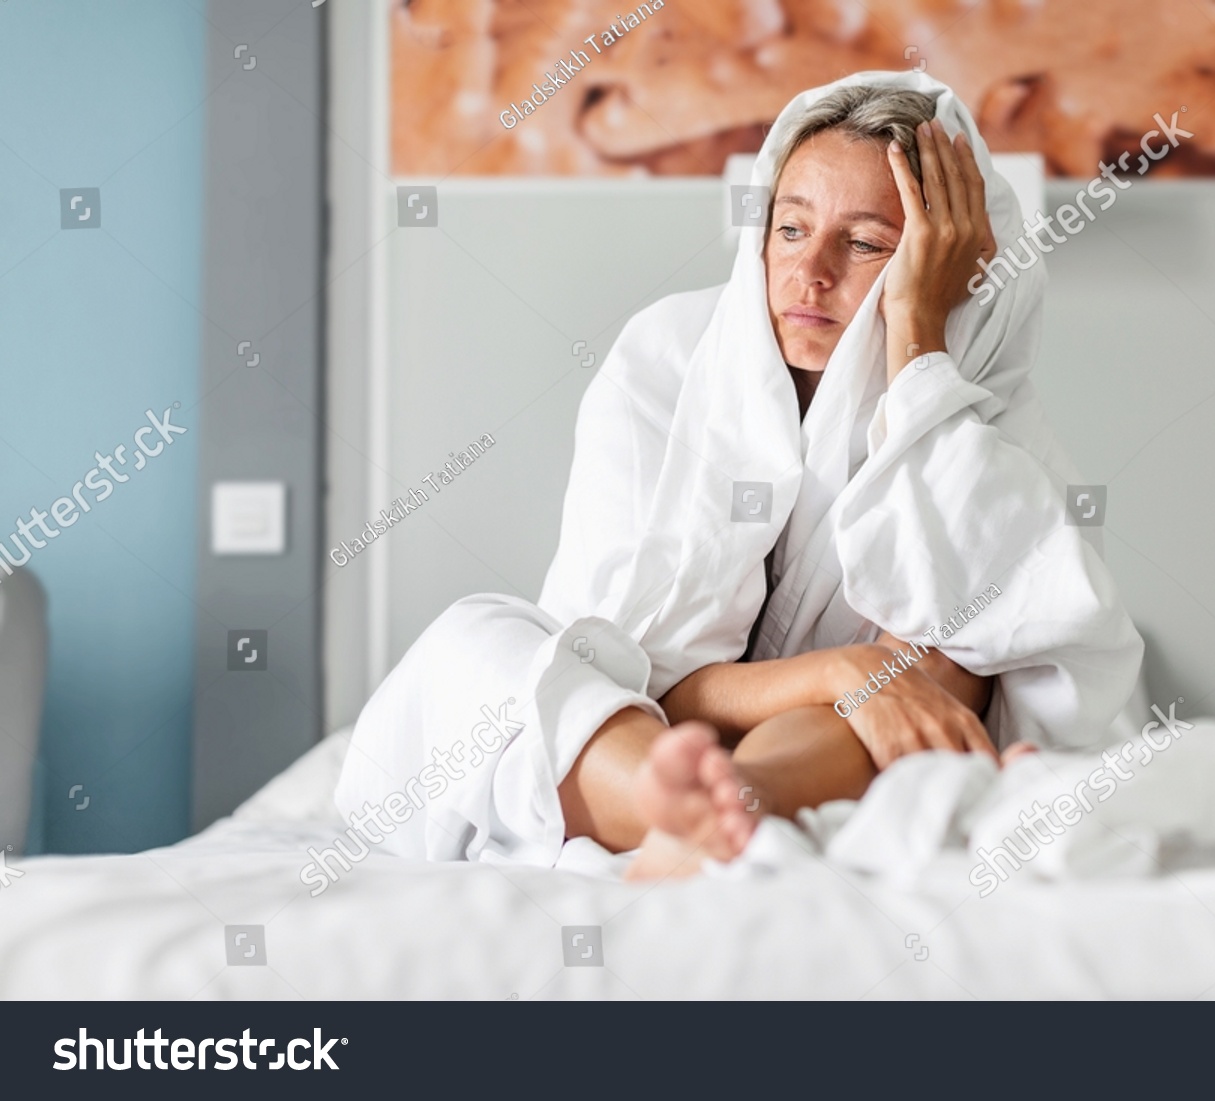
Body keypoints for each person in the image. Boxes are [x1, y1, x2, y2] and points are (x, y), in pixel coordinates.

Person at [335, 71, 1143, 882]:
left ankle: (723, 812)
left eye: (865, 244)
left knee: (946, 661)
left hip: (820, 763)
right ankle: (674, 803)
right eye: (790, 229)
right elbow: (628, 666)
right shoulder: (663, 363)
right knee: (481, 640)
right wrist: (843, 669)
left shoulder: (989, 427)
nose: (811, 272)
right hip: (628, 742)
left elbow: (992, 677)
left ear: (946, 264)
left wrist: (919, 344)